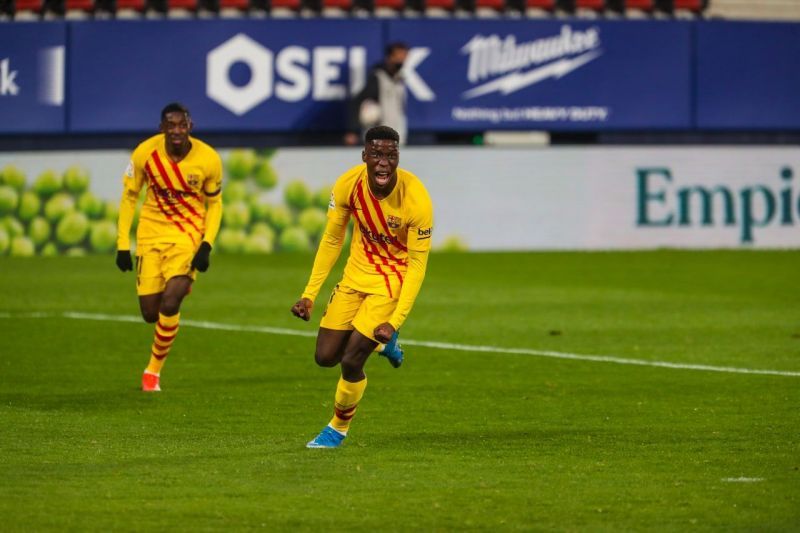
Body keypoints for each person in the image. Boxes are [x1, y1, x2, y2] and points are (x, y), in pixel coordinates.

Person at [292, 125, 434, 448]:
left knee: (352, 360)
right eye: (376, 155)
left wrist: (394, 320)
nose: (383, 163)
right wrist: (309, 294)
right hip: (354, 277)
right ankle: (386, 343)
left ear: (398, 157)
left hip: (390, 284)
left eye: (390, 155)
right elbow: (331, 239)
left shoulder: (417, 200)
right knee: (325, 356)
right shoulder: (347, 185)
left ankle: (336, 429)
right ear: (364, 156)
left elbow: (416, 266)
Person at [116, 102, 223, 392]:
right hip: (151, 235)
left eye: (182, 124)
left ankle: (152, 372)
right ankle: (179, 283)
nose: (177, 130)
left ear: (190, 126)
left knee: (171, 300)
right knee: (151, 313)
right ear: (161, 128)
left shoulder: (208, 158)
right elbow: (129, 197)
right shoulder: (144, 153)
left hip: (187, 237)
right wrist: (122, 244)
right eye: (171, 125)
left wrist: (206, 245)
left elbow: (214, 204)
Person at [344, 42, 410, 146]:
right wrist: (352, 130)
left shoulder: (399, 78)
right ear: (389, 57)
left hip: (397, 136)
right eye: (399, 56)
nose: (402, 60)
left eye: (404, 56)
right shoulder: (378, 78)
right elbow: (357, 101)